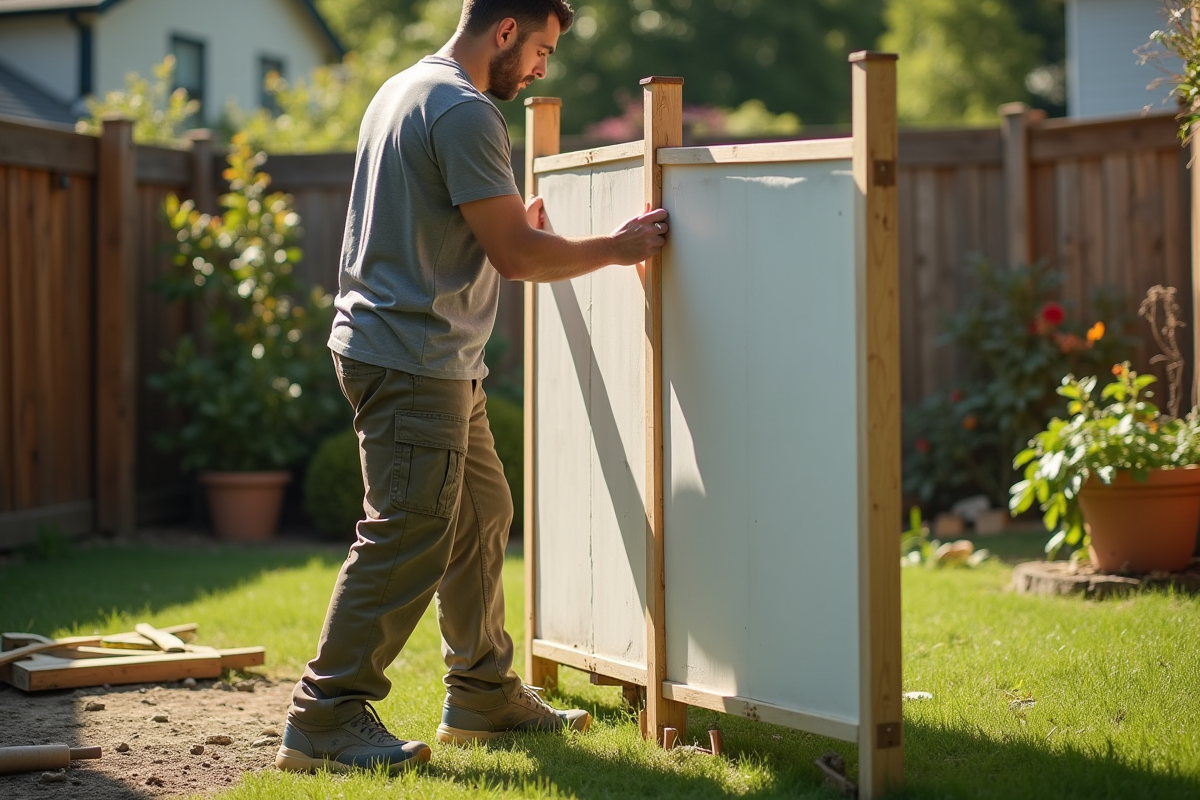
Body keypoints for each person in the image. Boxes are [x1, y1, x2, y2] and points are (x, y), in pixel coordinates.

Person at [275, 0, 670, 774]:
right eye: (542, 51)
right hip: (415, 355)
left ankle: (483, 693)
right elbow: (518, 258)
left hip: (427, 353)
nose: (542, 69)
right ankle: (324, 715)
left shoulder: (405, 89)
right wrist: (620, 248)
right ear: (506, 30)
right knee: (409, 528)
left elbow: (448, 224)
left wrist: (515, 225)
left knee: (483, 509)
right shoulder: (464, 110)